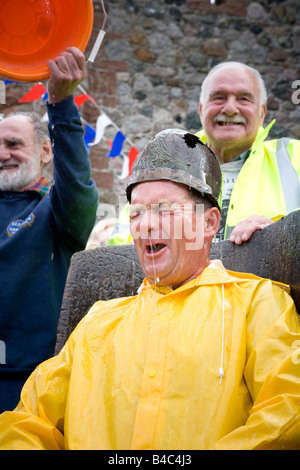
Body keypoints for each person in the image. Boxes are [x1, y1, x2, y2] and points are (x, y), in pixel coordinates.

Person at [0, 129, 299, 450]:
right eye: (137, 213)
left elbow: (288, 410)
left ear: (210, 223)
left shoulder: (258, 303)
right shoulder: (98, 322)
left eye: (164, 209)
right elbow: (28, 420)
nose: (145, 225)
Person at [0, 47, 98, 413]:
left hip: (35, 383)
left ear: (45, 151)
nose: (2, 154)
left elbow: (77, 183)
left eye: (13, 144)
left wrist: (60, 103)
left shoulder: (56, 212)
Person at [108, 61, 300, 246]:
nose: (231, 109)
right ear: (201, 110)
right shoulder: (165, 163)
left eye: (244, 98)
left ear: (262, 113)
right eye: (219, 97)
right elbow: (121, 247)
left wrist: (285, 236)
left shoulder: (295, 157)